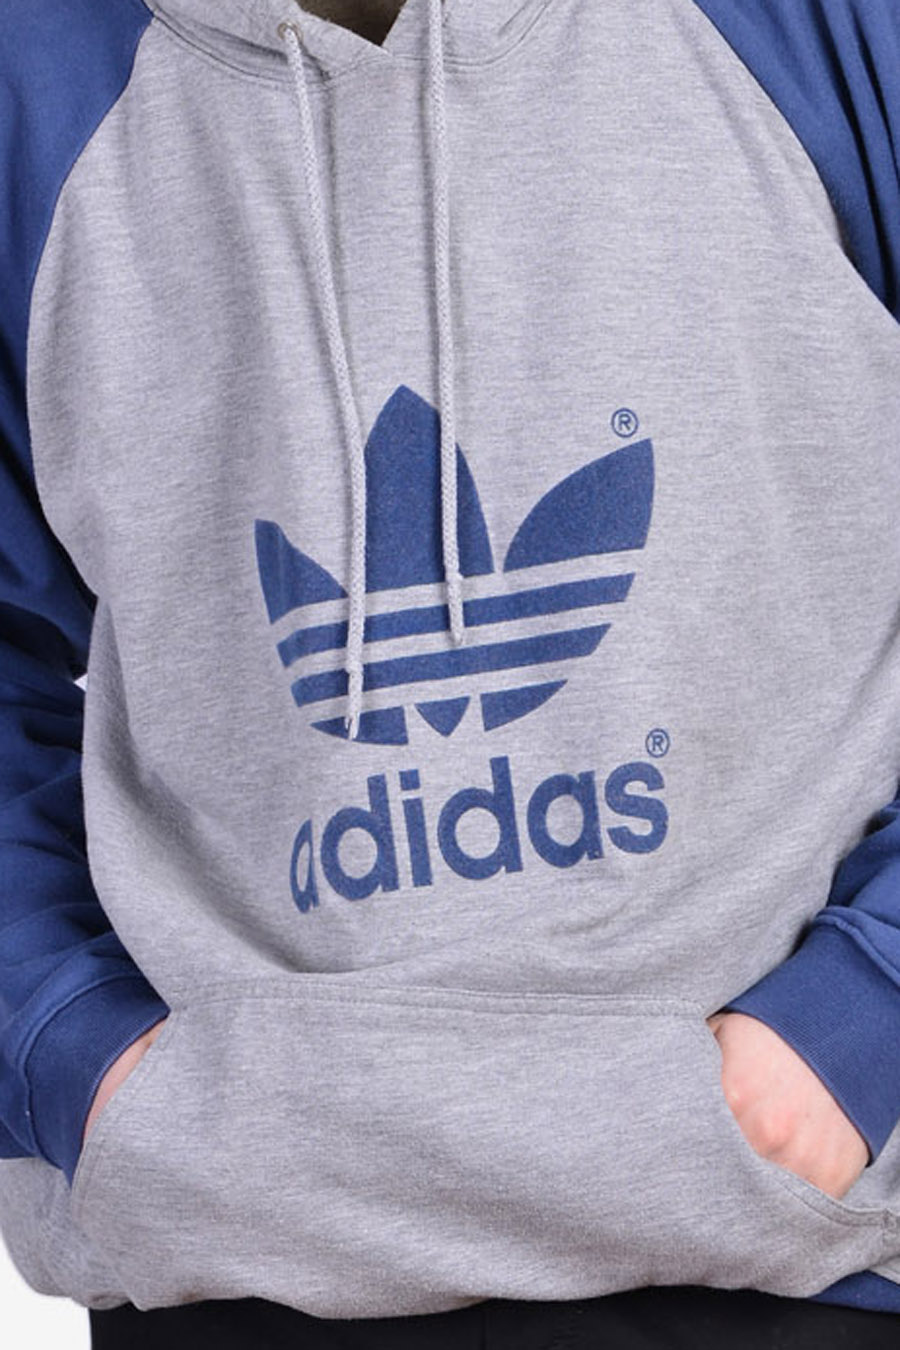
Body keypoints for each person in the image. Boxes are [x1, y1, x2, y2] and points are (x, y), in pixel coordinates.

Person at [1, 0, 899, 1346]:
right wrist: (70, 1055)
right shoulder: (33, 74)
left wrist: (858, 1021)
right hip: (235, 1270)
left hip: (805, 1257)